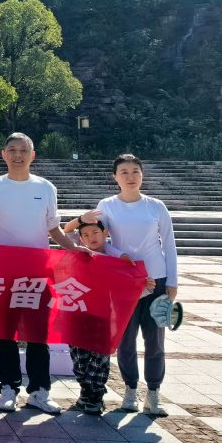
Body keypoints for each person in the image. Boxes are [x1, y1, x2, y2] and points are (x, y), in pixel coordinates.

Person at [0, 132, 91, 415]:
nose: (18, 155)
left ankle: (39, 391)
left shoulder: (45, 187)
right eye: (12, 150)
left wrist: (72, 247)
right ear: (4, 154)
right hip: (4, 273)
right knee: (5, 333)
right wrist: (2, 254)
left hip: (38, 273)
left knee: (38, 333)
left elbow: (53, 228)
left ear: (32, 155)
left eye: (23, 150)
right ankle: (8, 388)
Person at [66, 153, 178, 416]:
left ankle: (153, 393)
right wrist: (82, 220)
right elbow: (84, 234)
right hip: (121, 284)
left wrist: (172, 281)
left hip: (156, 280)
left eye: (135, 171)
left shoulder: (156, 206)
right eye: (124, 172)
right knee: (126, 340)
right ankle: (130, 390)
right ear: (115, 177)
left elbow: (169, 244)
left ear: (142, 175)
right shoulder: (106, 206)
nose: (130, 177)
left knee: (155, 341)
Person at [66, 219, 154, 414]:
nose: (91, 237)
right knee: (80, 358)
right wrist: (80, 220)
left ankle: (95, 397)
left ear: (105, 233)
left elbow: (127, 288)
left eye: (95, 232)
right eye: (86, 235)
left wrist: (144, 286)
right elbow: (66, 232)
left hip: (103, 317)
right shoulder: (78, 253)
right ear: (81, 239)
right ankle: (86, 393)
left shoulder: (116, 260)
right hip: (78, 315)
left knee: (100, 356)